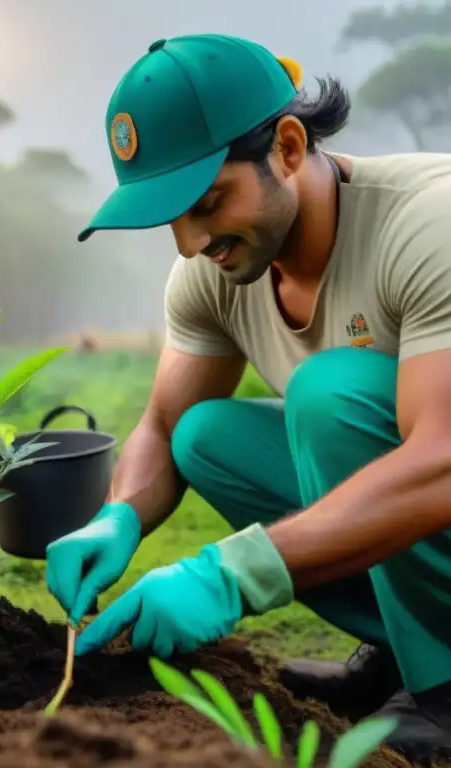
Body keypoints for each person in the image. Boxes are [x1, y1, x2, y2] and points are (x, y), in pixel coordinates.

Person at [43, 32, 451, 762]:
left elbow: (441, 462)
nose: (190, 242)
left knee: (330, 394)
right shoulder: (215, 271)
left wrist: (233, 573)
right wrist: (116, 519)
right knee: (204, 434)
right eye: (169, 215)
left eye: (206, 201)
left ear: (289, 148)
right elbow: (163, 427)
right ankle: (403, 651)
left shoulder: (427, 223)